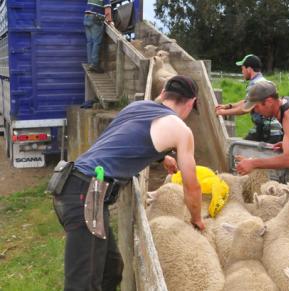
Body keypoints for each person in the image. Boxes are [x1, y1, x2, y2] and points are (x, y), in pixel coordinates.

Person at [51, 75, 204, 290]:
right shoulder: (181, 129)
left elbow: (123, 138)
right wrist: (197, 219)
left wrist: (162, 157)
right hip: (87, 194)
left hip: (78, 185)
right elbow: (192, 186)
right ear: (191, 103)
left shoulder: (138, 106)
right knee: (83, 284)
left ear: (162, 95)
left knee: (111, 270)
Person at [215, 54, 283, 143]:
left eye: (242, 68)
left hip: (267, 130)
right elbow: (247, 102)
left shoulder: (255, 85)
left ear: (249, 69)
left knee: (240, 150)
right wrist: (228, 106)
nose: (242, 72)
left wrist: (223, 112)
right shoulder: (264, 82)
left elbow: (245, 109)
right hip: (270, 129)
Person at [85, 0, 113, 73]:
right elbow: (107, 12)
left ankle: (90, 63)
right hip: (95, 18)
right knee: (96, 42)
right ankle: (94, 65)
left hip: (86, 17)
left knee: (89, 42)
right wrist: (110, 22)